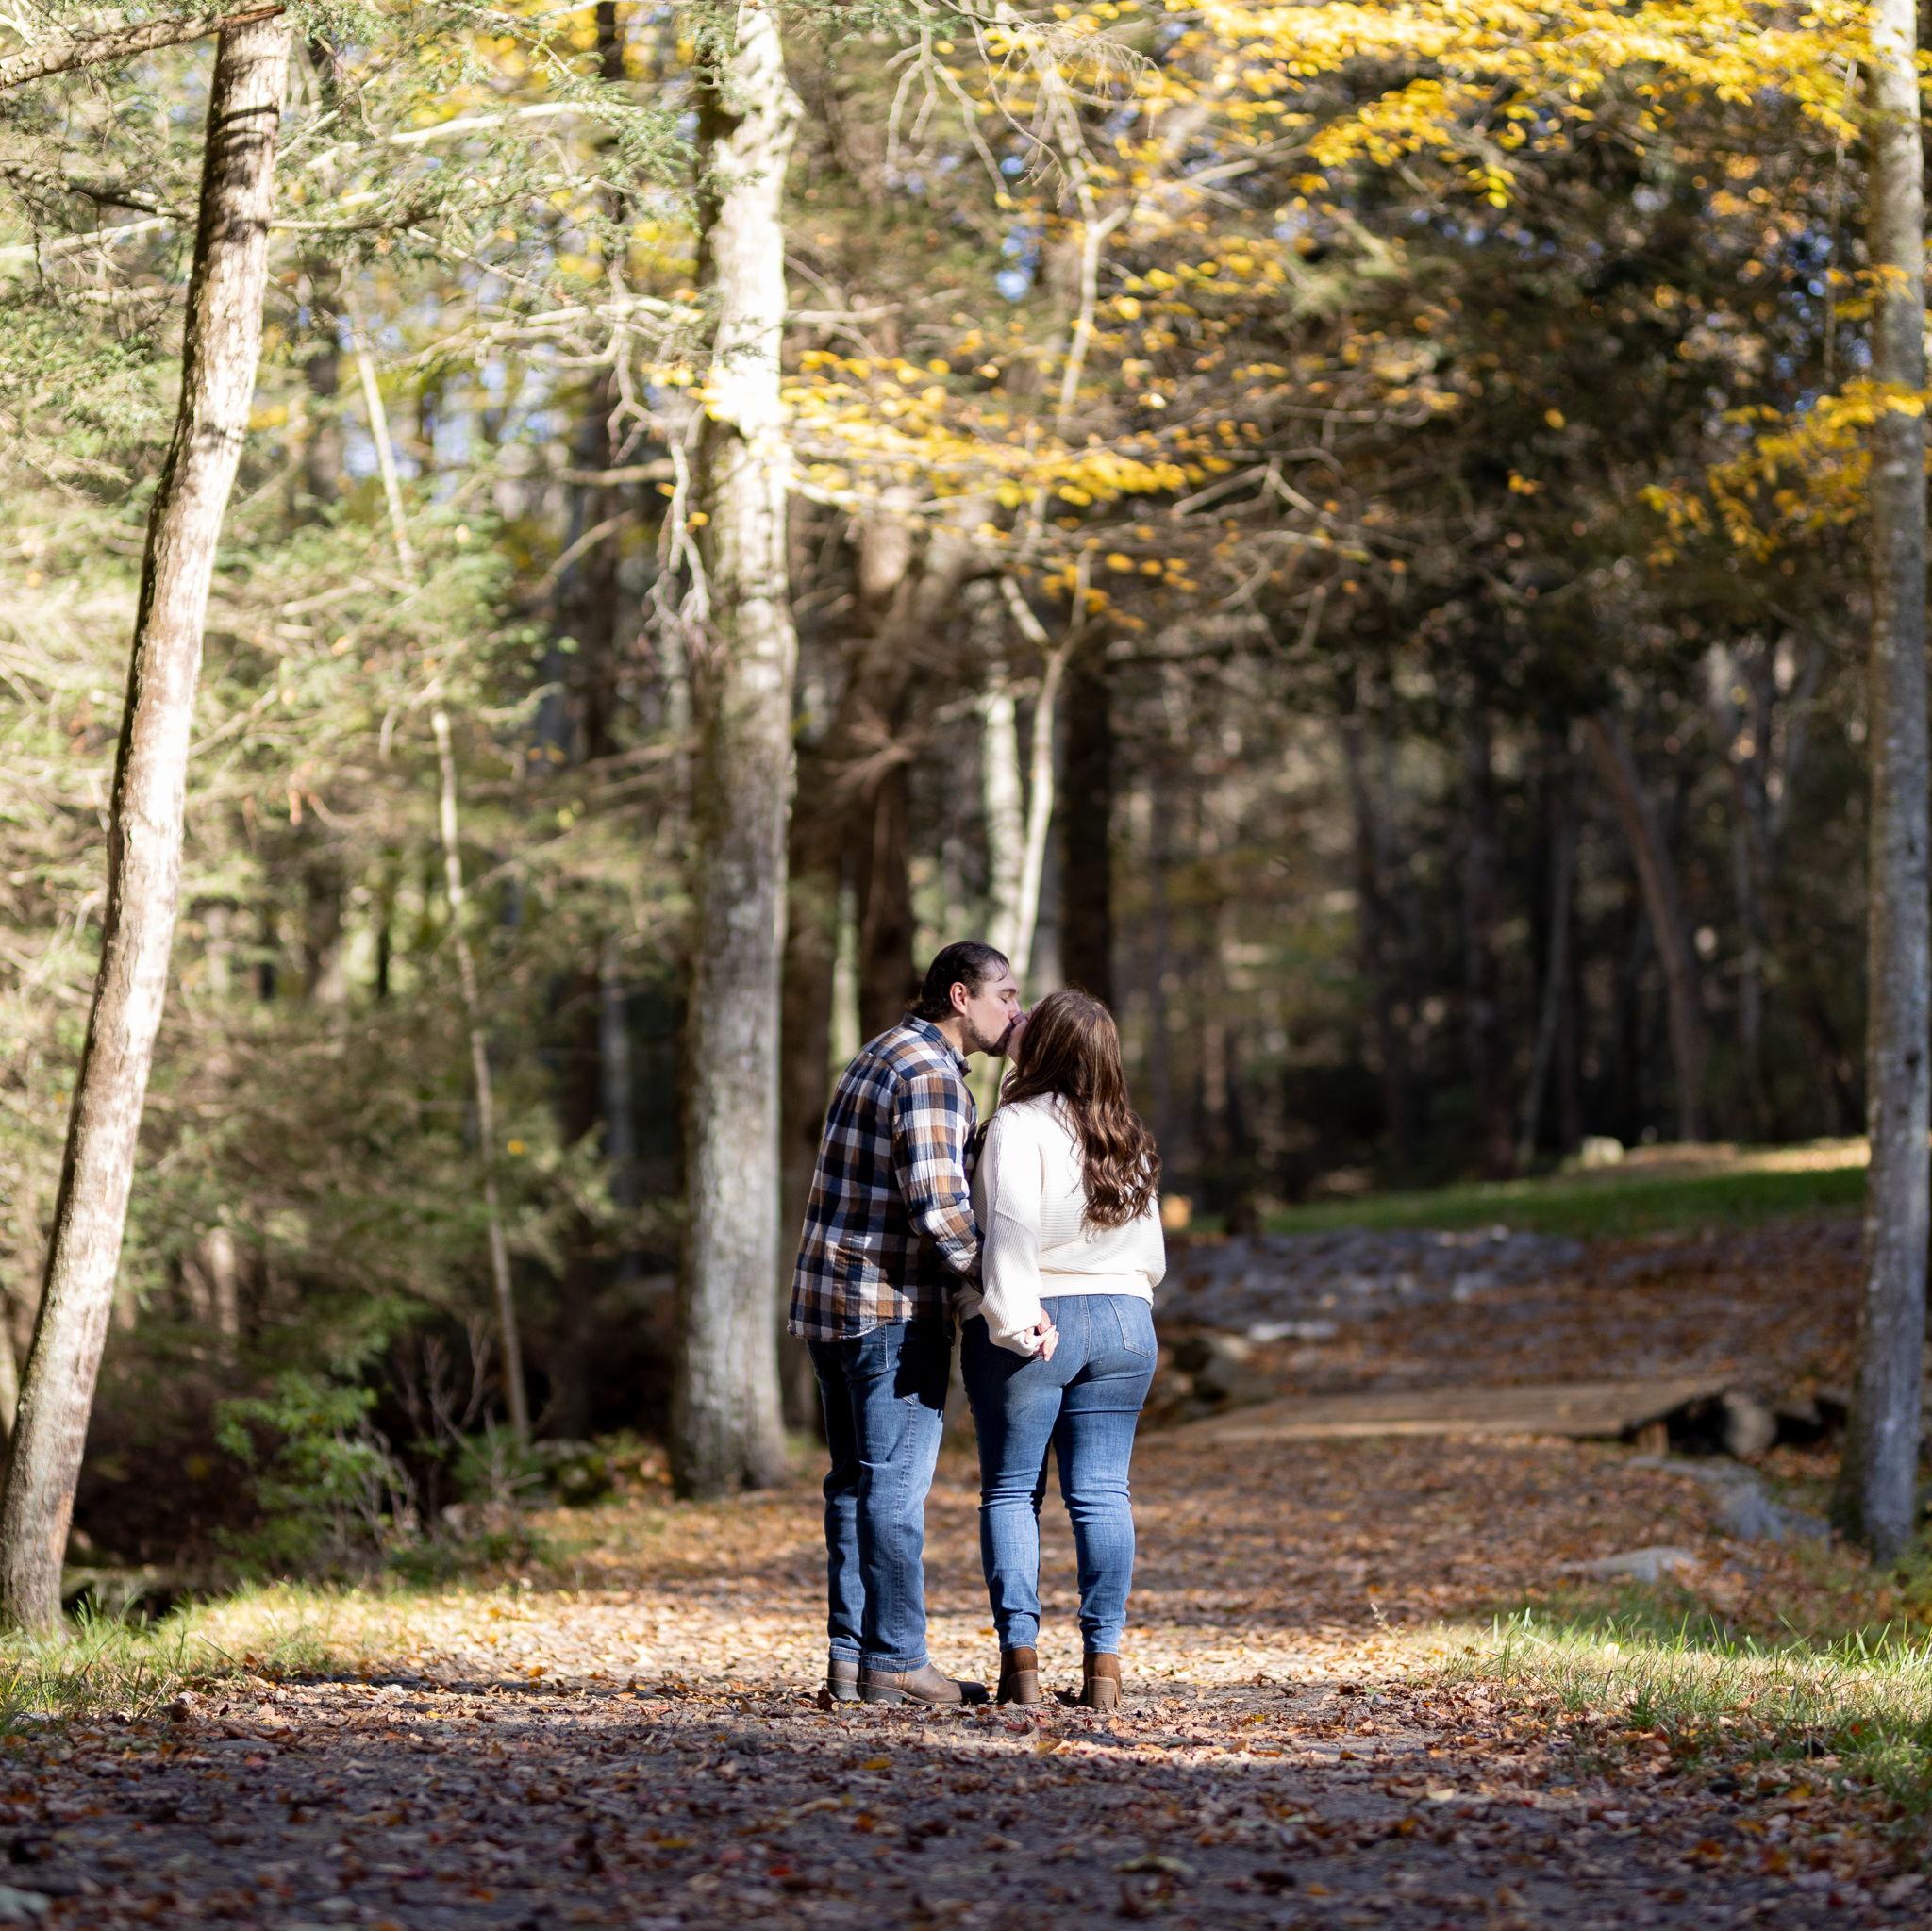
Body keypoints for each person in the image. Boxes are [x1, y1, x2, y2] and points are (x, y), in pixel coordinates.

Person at [788, 941, 1030, 1706]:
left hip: (835, 1305)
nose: (1015, 1012)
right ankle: (895, 1656)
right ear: (961, 997)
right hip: (890, 1309)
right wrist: (1005, 1291)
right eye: (1007, 996)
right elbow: (942, 1210)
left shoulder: (882, 1052)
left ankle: (851, 1659)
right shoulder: (928, 1074)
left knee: (855, 1486)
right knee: (891, 1491)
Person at [958, 988, 1164, 1713]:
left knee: (1014, 1490)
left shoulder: (1015, 1125)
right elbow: (1152, 1253)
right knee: (1104, 1491)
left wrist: (1013, 1322)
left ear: (1041, 1049)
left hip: (1040, 1318)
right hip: (1126, 1317)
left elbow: (1009, 1231)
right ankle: (1103, 1666)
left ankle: (1022, 1662)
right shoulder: (1128, 1133)